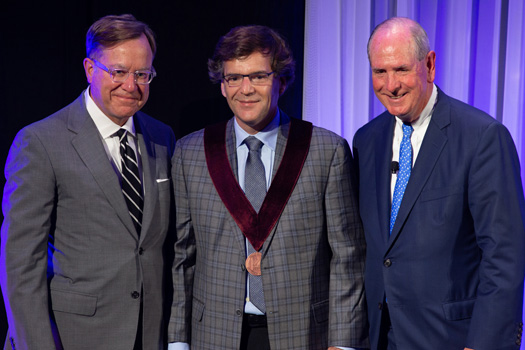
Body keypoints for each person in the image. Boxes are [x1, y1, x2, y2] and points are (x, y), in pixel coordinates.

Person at [167, 25, 368, 350]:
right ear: (222, 86)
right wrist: (178, 340)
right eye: (234, 78)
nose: (245, 89)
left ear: (282, 81)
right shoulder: (191, 153)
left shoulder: (325, 151)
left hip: (302, 333)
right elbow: (182, 256)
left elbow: (347, 256)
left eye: (258, 76)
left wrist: (343, 342)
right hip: (214, 334)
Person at [0, 14, 176, 350]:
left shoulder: (161, 137)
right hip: (71, 338)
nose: (131, 85)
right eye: (119, 72)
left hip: (148, 336)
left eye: (142, 74)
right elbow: (21, 265)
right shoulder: (41, 141)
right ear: (90, 69)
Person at [352, 17, 525, 350]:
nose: (391, 85)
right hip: (378, 338)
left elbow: (504, 256)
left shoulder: (482, 137)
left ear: (429, 65)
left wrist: (485, 344)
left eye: (402, 69)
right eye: (380, 72)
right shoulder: (366, 140)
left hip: (451, 339)